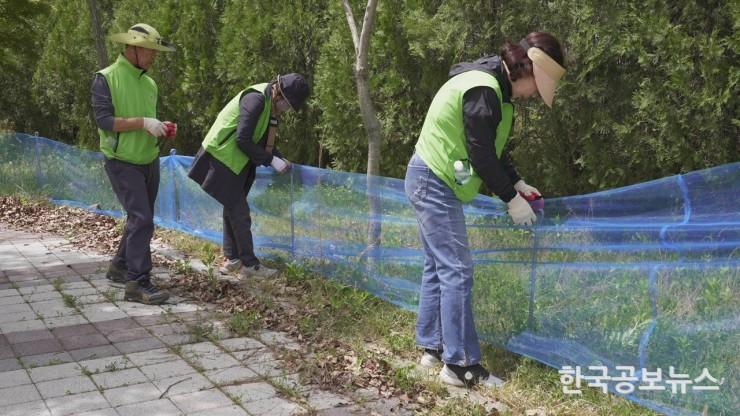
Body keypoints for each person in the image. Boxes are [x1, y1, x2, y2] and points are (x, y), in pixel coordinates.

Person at [404, 32, 566, 387]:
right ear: (526, 71)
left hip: (429, 178)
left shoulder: (494, 88)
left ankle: (432, 349)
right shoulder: (484, 91)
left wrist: (517, 183)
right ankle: (460, 366)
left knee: (438, 268)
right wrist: (510, 199)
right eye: (536, 88)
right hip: (434, 180)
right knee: (458, 270)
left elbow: (492, 149)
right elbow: (480, 154)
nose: (534, 96)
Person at [188, 74, 310, 279]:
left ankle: (233, 260)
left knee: (232, 208)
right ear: (279, 93)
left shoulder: (268, 104)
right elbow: (243, 139)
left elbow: (261, 138)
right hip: (220, 157)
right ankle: (249, 265)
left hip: (235, 161)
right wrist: (271, 161)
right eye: (288, 104)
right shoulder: (256, 99)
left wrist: (279, 157)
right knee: (240, 211)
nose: (287, 109)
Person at [91, 23, 176, 305]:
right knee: (142, 220)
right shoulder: (106, 78)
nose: (154, 57)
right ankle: (137, 283)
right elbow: (104, 122)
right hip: (122, 161)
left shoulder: (149, 83)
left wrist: (160, 127)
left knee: (139, 218)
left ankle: (119, 266)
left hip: (149, 160)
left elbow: (145, 120)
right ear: (134, 48)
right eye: (150, 51)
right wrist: (143, 123)